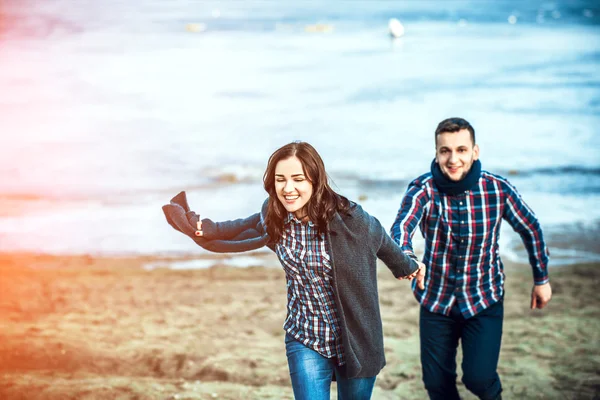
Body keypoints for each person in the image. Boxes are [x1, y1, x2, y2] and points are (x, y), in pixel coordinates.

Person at [162, 141, 427, 400]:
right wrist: (205, 228)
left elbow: (380, 238)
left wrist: (408, 265)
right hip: (305, 337)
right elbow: (242, 226)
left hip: (357, 340)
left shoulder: (351, 220)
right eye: (281, 179)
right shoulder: (274, 215)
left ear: (315, 180)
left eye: (298, 179)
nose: (288, 189)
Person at [390, 117, 552, 400]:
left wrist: (541, 279)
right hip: (435, 299)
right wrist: (406, 257)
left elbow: (530, 227)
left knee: (479, 379)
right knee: (437, 384)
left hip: (484, 297)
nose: (453, 159)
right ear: (437, 152)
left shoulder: (497, 189)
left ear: (475, 152)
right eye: (445, 151)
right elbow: (402, 226)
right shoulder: (423, 188)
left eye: (461, 150)